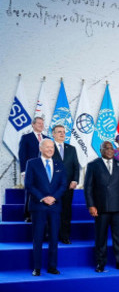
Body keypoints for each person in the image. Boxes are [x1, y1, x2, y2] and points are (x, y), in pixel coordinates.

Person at [84, 141, 119, 272]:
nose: (110, 150)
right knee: (101, 237)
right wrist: (91, 205)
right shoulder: (93, 165)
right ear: (101, 150)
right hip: (101, 208)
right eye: (106, 148)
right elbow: (88, 188)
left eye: (111, 148)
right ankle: (100, 263)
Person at [25, 139, 66, 276]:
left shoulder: (59, 164)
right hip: (38, 206)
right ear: (41, 148)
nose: (50, 149)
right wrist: (43, 198)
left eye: (52, 147)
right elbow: (29, 185)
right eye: (47, 147)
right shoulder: (32, 163)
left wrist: (53, 197)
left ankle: (52, 267)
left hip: (55, 206)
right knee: (38, 238)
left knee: (54, 238)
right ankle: (37, 268)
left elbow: (63, 185)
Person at [51, 124, 80, 244]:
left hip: (68, 186)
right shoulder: (48, 147)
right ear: (53, 134)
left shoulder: (71, 148)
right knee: (52, 211)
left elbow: (76, 166)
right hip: (52, 187)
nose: (62, 134)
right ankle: (52, 235)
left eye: (63, 132)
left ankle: (65, 236)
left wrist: (75, 180)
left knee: (66, 211)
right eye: (59, 132)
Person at [19, 116, 49, 222]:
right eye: (39, 123)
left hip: (45, 171)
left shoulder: (47, 138)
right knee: (30, 192)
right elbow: (22, 155)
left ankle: (43, 213)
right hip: (30, 170)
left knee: (44, 191)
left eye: (42, 123)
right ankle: (28, 215)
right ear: (33, 124)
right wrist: (23, 171)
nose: (41, 125)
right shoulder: (26, 137)